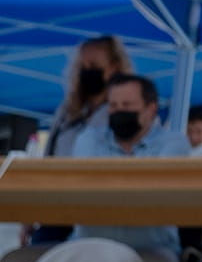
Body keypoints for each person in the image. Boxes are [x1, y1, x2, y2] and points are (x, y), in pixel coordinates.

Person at [66, 73, 189, 262]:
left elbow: (160, 187)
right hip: (88, 248)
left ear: (151, 109)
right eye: (113, 105)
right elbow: (84, 183)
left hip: (150, 251)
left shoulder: (173, 143)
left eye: (127, 105)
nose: (118, 111)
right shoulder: (90, 138)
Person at [21, 36, 134, 248]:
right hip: (57, 208)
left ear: (114, 67)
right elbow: (47, 160)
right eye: (82, 66)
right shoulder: (67, 112)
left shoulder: (125, 111)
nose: (86, 71)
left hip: (101, 212)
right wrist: (32, 210)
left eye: (93, 66)